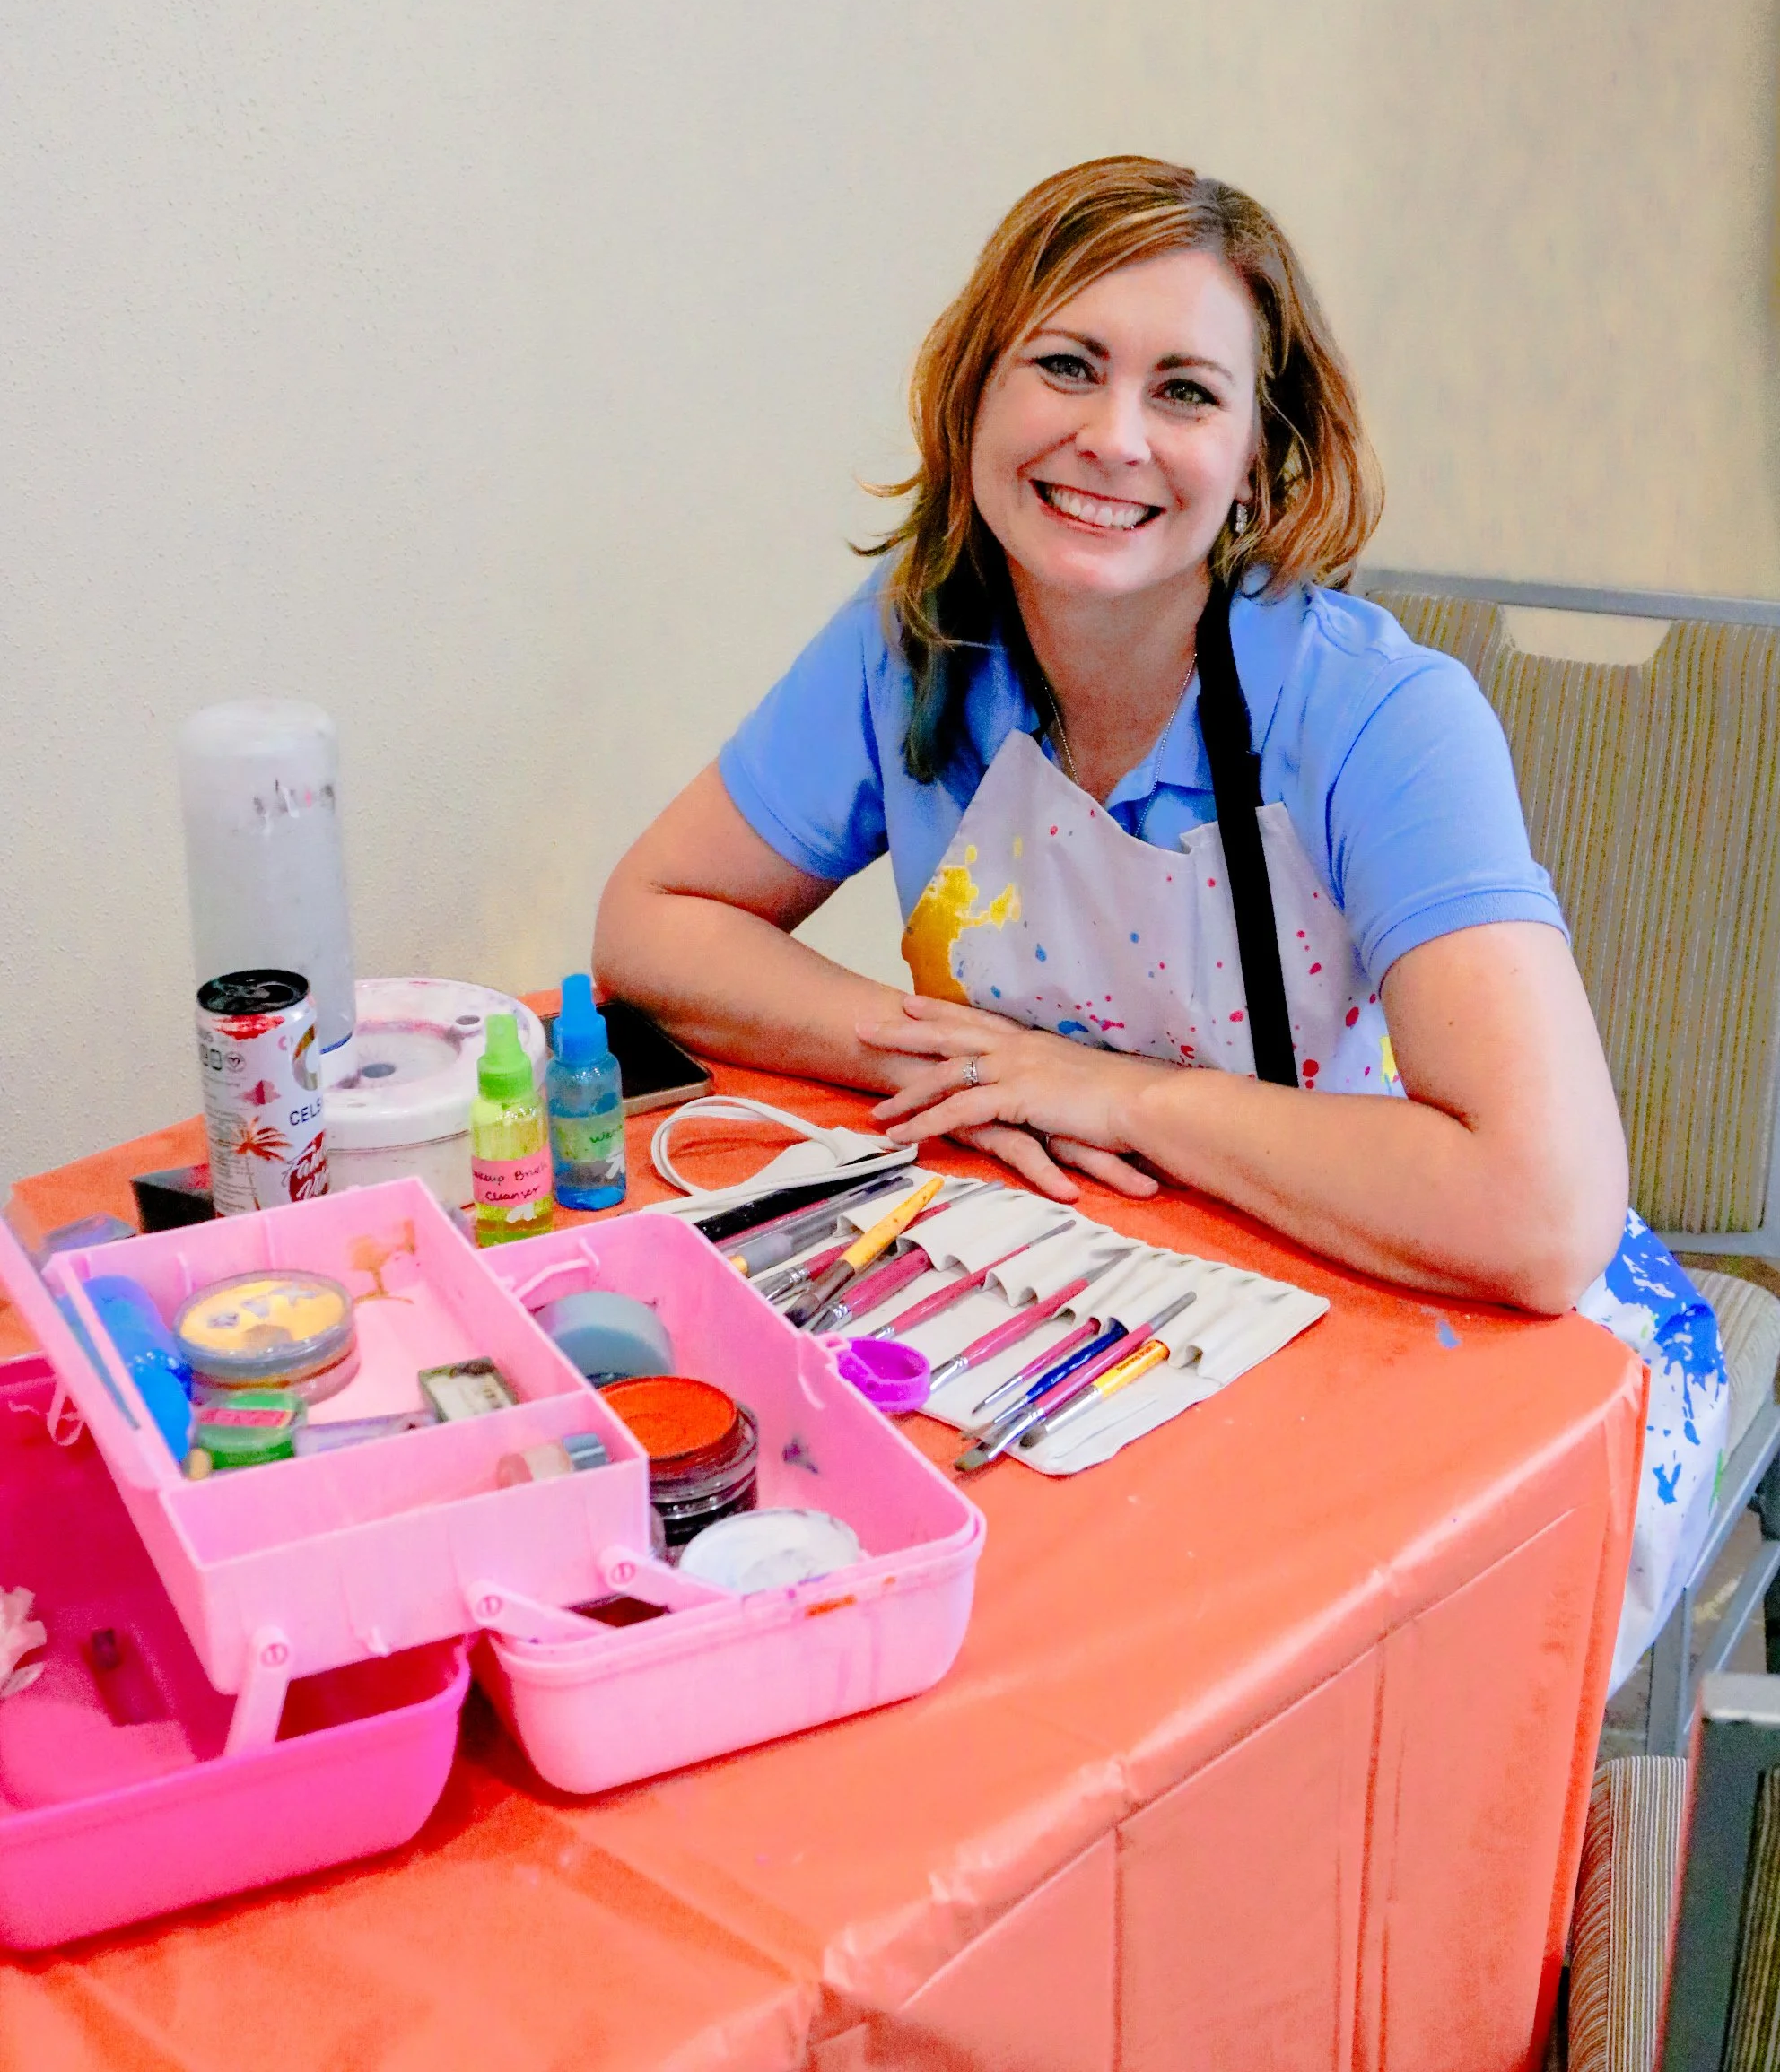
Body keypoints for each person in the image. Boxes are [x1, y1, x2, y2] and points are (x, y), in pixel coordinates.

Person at [596, 153, 1726, 1683]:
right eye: (1064, 364)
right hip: (1118, 1258)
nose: (1111, 437)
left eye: (1186, 392)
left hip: (1430, 1292)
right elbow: (653, 921)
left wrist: (1118, 1094)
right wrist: (965, 1057)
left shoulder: (1384, 716)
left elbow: (1539, 1211)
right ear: (973, 401)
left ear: (1260, 461)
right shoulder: (916, 646)